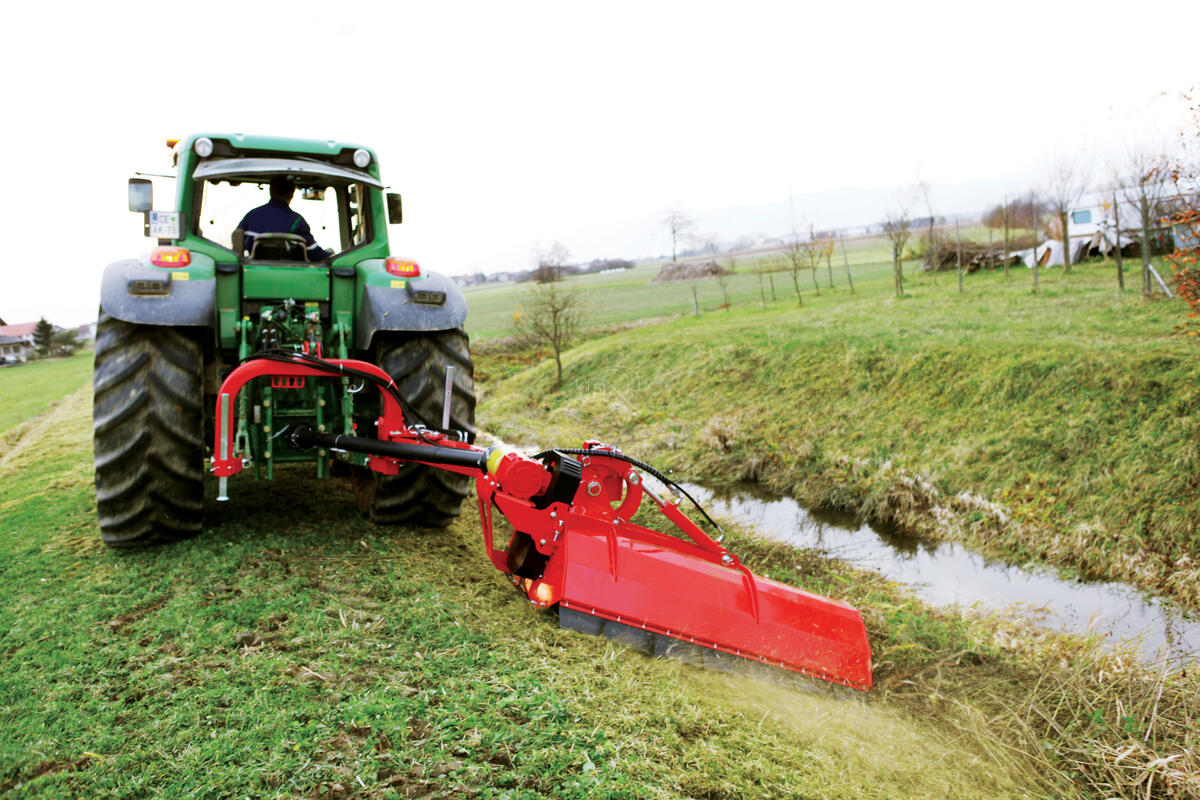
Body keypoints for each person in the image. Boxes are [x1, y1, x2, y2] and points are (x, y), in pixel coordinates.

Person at [239, 175, 331, 260]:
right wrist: (331, 255)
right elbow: (313, 253)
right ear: (292, 194)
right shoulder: (298, 221)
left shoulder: (252, 215)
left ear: (271, 191)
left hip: (254, 271)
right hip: (293, 274)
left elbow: (237, 239)